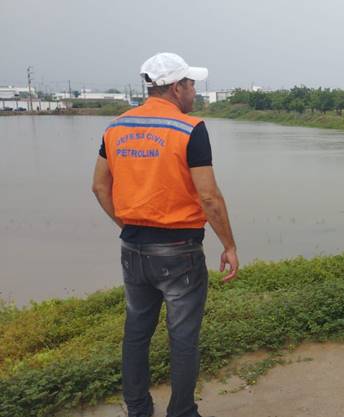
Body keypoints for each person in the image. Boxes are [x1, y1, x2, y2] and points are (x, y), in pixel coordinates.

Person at [91, 52, 238, 417]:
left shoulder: (116, 127)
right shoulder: (190, 129)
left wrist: (128, 226)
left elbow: (99, 187)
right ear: (176, 88)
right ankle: (182, 412)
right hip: (179, 251)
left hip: (133, 249)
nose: (195, 91)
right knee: (183, 338)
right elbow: (209, 196)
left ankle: (138, 410)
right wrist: (229, 245)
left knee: (136, 334)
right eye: (191, 84)